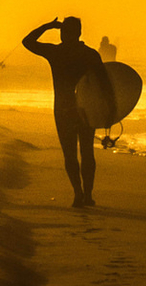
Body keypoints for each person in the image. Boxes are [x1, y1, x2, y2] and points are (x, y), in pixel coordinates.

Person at [23, 16, 112, 208]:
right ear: (79, 32)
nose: (62, 35)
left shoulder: (56, 52)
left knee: (70, 154)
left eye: (63, 31)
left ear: (64, 33)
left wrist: (48, 26)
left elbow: (27, 42)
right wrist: (111, 112)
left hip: (63, 109)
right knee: (87, 152)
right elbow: (105, 86)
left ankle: (78, 193)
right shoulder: (90, 54)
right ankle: (87, 195)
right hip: (86, 110)